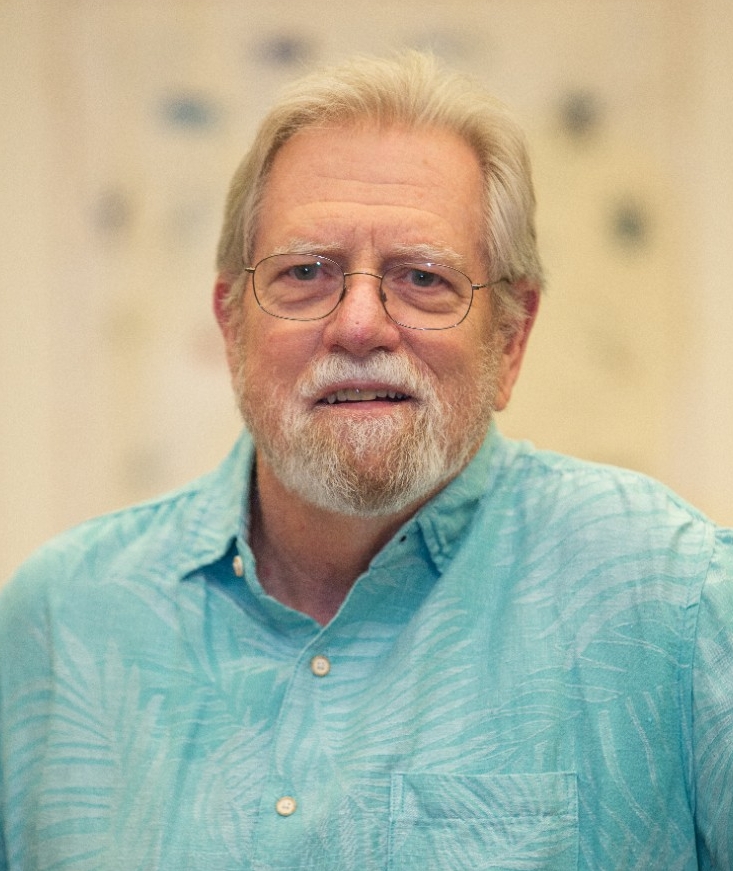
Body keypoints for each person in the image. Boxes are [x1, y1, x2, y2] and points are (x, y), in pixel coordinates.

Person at [1, 52, 731, 871]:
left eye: (422, 278)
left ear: (511, 337)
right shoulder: (58, 622)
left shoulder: (675, 601)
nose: (357, 326)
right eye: (304, 273)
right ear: (231, 323)